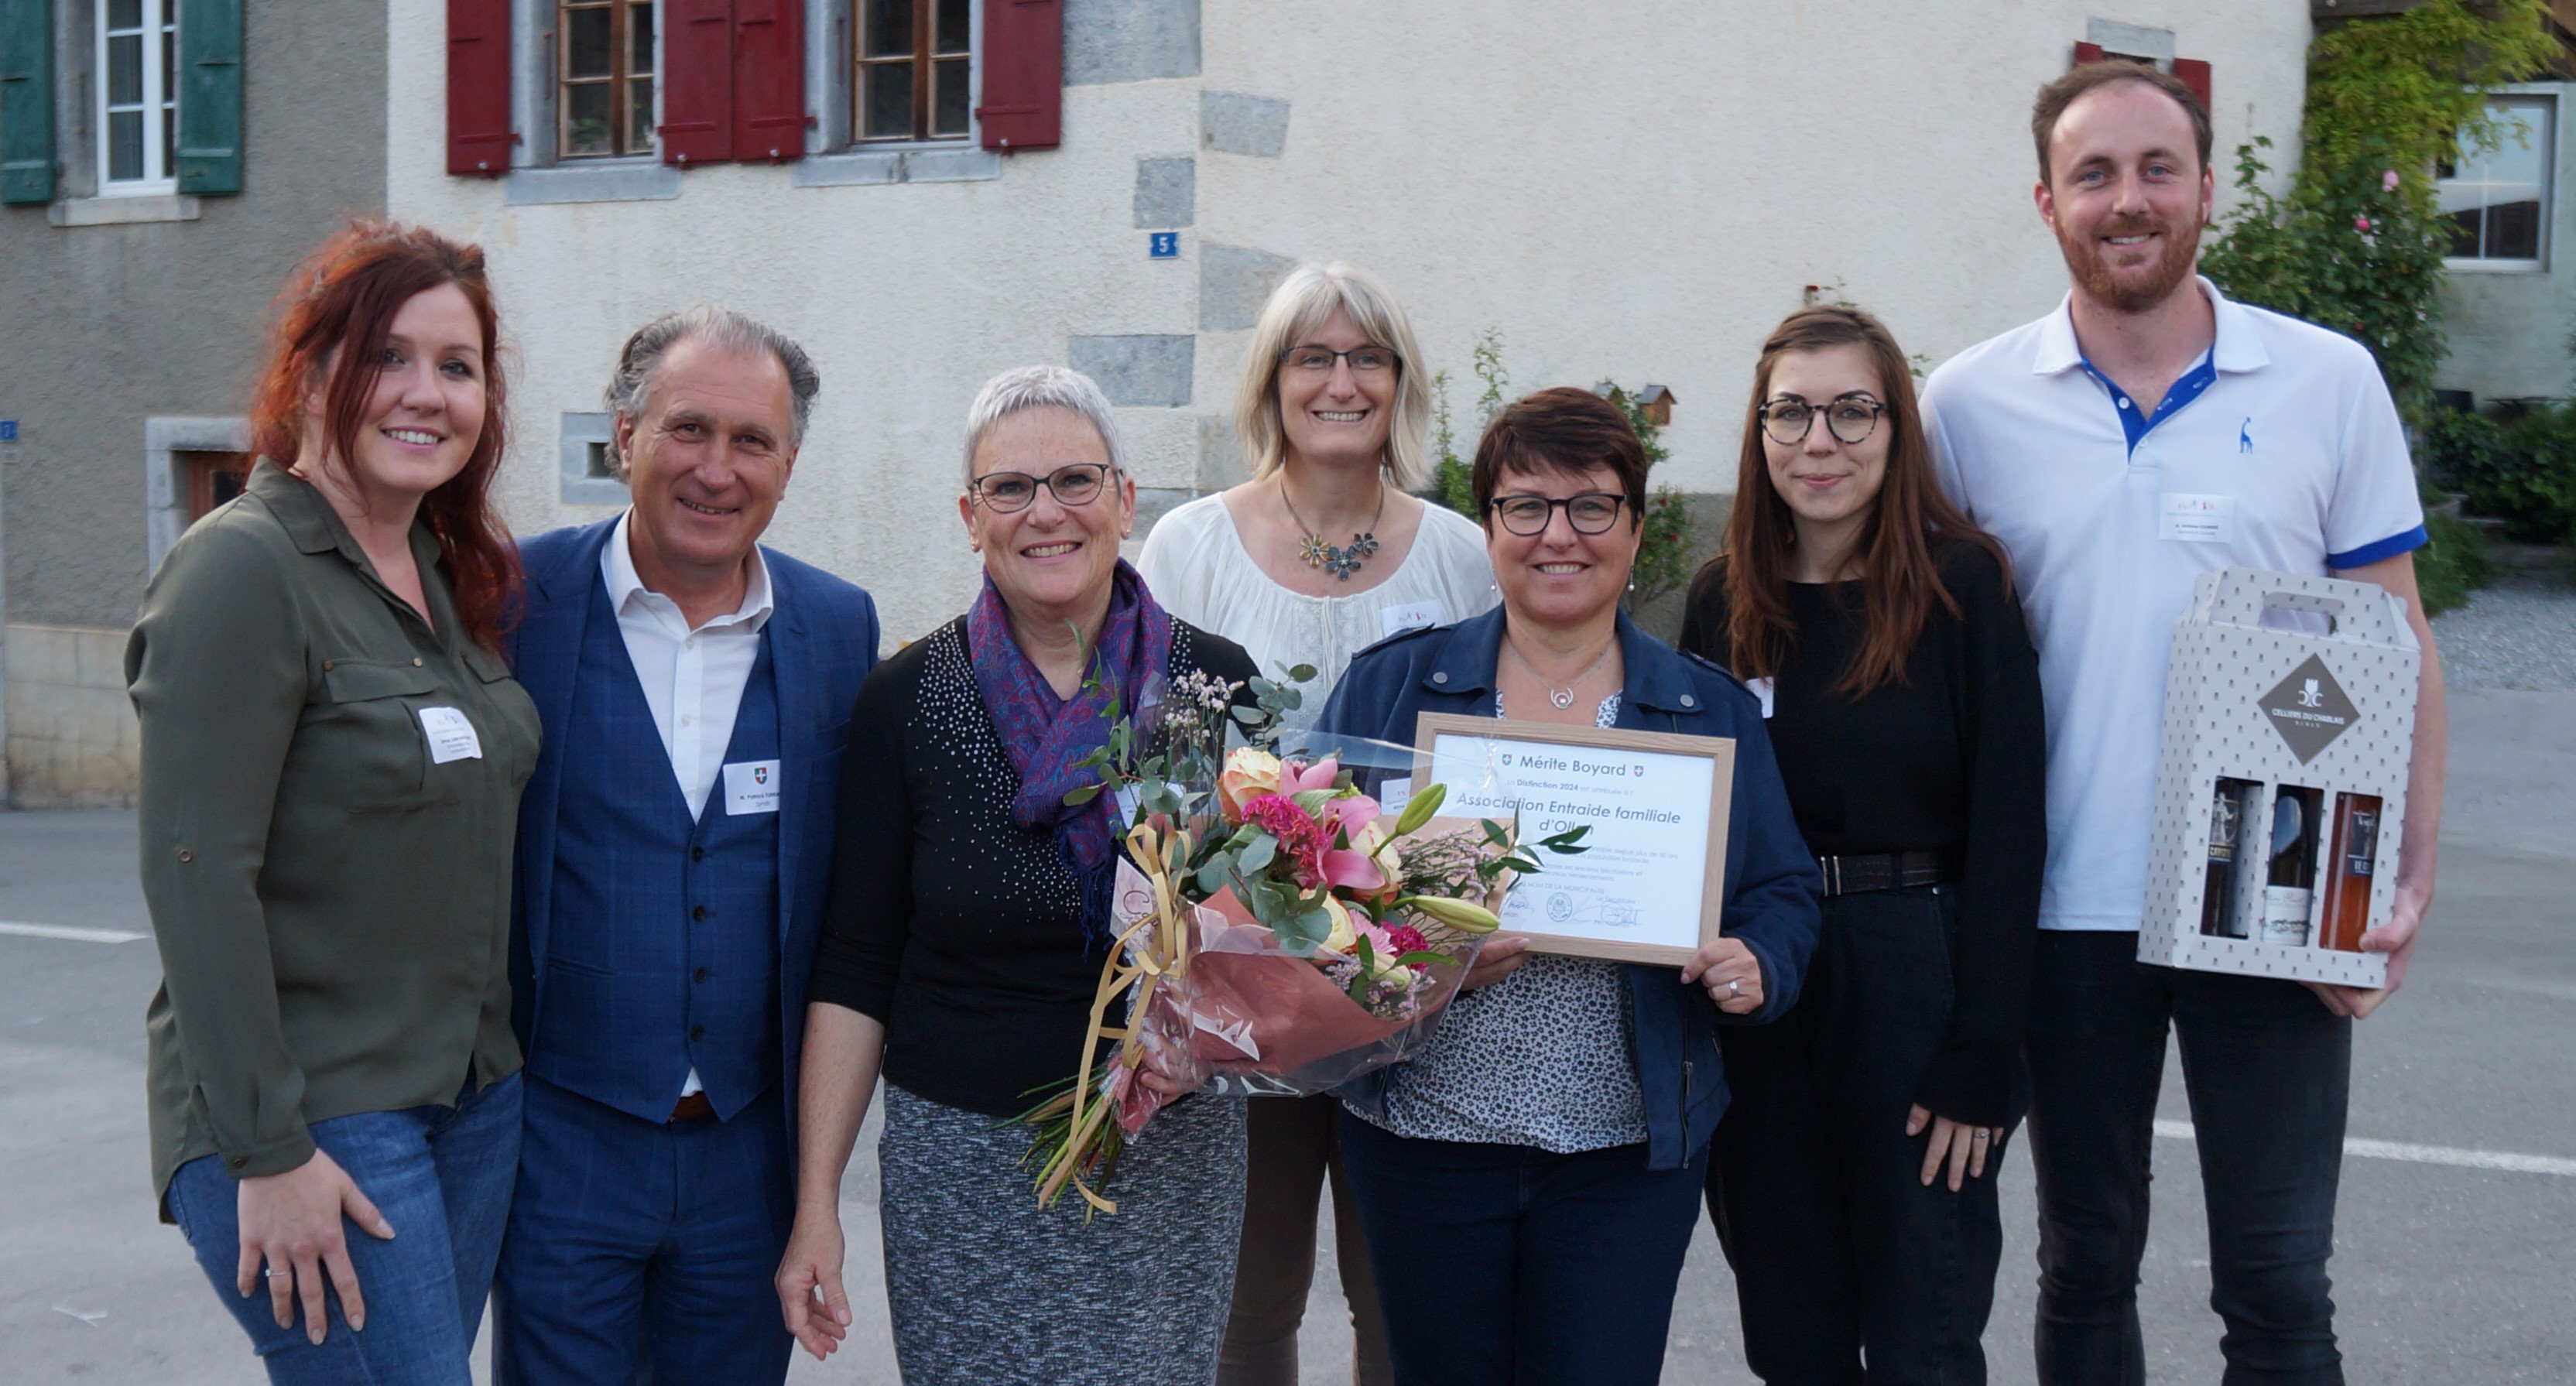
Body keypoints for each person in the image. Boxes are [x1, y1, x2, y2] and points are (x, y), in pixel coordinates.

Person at [1920, 63, 2449, 1385]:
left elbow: (2400, 642)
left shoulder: (2328, 380)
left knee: (2278, 1283)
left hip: (2276, 898)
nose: (2129, 200)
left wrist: (2399, 874)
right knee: (2086, 1260)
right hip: (2065, 908)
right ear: (2047, 202)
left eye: (2158, 169)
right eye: (2094, 174)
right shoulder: (1969, 406)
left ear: (2207, 189)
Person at [1317, 386, 1822, 1385]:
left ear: (1636, 528)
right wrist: (1415, 961)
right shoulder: (1393, 690)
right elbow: (1309, 902)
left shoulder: (1702, 709)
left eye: (1592, 506)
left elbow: (1782, 889)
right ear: (1490, 524)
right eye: (1526, 507)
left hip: (1623, 1156)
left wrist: (1758, 960)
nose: (1560, 535)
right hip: (1422, 1136)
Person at [776, 365, 1261, 1384]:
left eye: (1076, 481)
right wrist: (817, 1197)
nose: (1046, 513)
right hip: (958, 1161)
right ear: (970, 516)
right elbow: (857, 964)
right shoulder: (905, 702)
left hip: (1161, 1150)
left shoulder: (1211, 688)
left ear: (1126, 501)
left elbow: (1269, 934)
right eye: (1010, 488)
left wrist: (1211, 1042)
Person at [128, 220, 540, 1382]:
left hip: (468, 1102)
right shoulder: (242, 566)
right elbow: (195, 872)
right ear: (312, 378)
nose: (427, 395)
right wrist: (267, 1151)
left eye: (456, 367)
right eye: (389, 359)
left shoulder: (446, 580)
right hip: (318, 1120)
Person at [492, 307, 880, 1384]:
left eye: (751, 441)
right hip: (564, 1138)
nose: (718, 469)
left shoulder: (839, 627)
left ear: (789, 465)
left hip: (750, 1157)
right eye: (687, 429)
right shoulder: (516, 600)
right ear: (625, 438)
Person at [1138, 262, 1494, 1386]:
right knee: (1248, 1307)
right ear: (1273, 381)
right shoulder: (1189, 546)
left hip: (1419, 989)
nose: (1341, 382)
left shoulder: (1463, 553)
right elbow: (1162, 779)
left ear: (1400, 383)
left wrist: (1427, 943)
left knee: (1403, 1303)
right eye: (1314, 357)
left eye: (1367, 358)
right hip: (1248, 992)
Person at [1680, 304, 2046, 1384]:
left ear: (1896, 428)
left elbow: (2012, 824)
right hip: (1766, 989)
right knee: (1791, 1331)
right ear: (1758, 432)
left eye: (1852, 411)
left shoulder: (1962, 587)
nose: (1819, 441)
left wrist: (1987, 1050)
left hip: (1914, 980)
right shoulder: (1722, 600)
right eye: (1790, 413)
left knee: (1923, 1331)